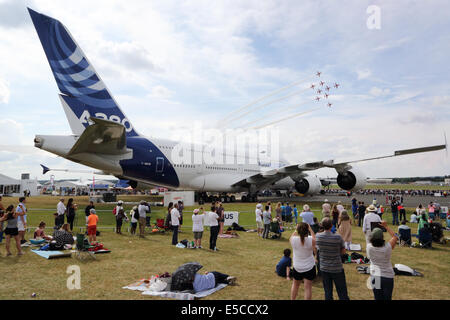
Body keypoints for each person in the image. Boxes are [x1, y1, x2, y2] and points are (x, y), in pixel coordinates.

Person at [315, 217, 349, 300]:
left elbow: (318, 248)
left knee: (328, 291)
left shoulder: (318, 236)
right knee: (342, 292)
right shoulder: (338, 237)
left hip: (324, 267)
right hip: (336, 268)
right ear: (331, 226)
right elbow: (343, 252)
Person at [366, 222, 398, 300]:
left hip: (375, 275)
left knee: (377, 297)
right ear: (382, 237)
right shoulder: (387, 247)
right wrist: (386, 226)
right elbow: (395, 236)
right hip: (387, 276)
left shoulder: (369, 247)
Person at [290, 223, 316, 300]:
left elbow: (291, 237)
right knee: (308, 288)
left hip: (297, 267)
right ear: (307, 231)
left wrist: (296, 229)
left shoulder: (293, 239)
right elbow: (315, 240)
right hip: (309, 267)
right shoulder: (311, 240)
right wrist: (310, 229)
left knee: (295, 285)